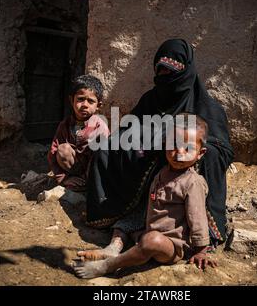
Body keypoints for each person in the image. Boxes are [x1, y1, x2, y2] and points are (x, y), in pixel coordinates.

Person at [79, 39, 233, 261]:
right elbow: (127, 130)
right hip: (145, 170)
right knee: (107, 147)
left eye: (173, 72)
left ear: (187, 71)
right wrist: (152, 140)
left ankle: (198, 236)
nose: (166, 79)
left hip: (181, 175)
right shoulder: (151, 99)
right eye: (161, 72)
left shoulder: (206, 106)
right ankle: (115, 217)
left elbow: (222, 148)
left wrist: (185, 147)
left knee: (201, 154)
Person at [74, 114, 217, 278]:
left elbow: (197, 218)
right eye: (173, 145)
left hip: (171, 246)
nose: (179, 152)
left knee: (151, 241)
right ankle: (112, 249)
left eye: (188, 148)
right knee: (124, 224)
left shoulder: (193, 182)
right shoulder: (162, 172)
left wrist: (201, 251)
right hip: (149, 231)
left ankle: (108, 265)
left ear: (200, 153)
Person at [47, 75, 110, 192]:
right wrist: (63, 178)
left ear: (98, 106)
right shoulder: (65, 125)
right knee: (62, 149)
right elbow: (53, 152)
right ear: (72, 100)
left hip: (92, 169)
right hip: (73, 167)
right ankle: (74, 181)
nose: (85, 104)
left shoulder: (100, 127)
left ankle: (88, 184)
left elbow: (102, 158)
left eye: (91, 101)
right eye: (80, 99)